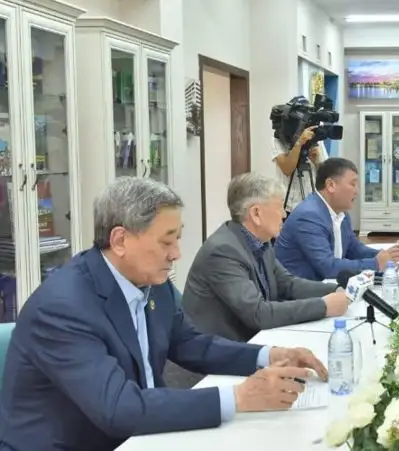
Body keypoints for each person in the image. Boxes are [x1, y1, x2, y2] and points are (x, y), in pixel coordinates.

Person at [0, 177, 327, 450]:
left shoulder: (151, 281)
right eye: (166, 242)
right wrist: (240, 397)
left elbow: (192, 344)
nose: (177, 254)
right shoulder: (64, 307)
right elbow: (118, 409)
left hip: (142, 434)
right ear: (120, 240)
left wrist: (269, 355)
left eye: (178, 239)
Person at [183, 173, 349, 341]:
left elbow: (288, 284)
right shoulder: (223, 252)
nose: (284, 214)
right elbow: (258, 313)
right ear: (256, 213)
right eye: (279, 207)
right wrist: (324, 306)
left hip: (254, 339)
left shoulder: (261, 242)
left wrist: (336, 289)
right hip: (220, 350)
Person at [276, 158, 399, 281]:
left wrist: (385, 255)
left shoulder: (340, 213)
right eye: (353, 184)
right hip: (302, 291)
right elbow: (328, 267)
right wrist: (376, 263)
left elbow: (353, 248)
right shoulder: (309, 216)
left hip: (326, 285)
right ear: (331, 185)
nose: (357, 191)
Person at [273, 120, 328, 214]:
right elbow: (287, 169)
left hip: (313, 203)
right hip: (289, 205)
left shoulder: (316, 139)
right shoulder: (279, 138)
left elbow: (326, 174)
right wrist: (299, 143)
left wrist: (316, 161)